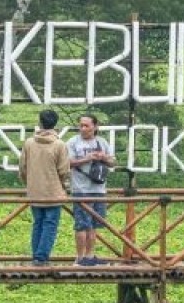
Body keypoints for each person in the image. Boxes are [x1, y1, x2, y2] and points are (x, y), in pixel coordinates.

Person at [19, 109, 71, 266]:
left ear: (40, 122)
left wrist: (29, 183)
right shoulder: (59, 145)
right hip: (54, 192)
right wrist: (65, 187)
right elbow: (64, 171)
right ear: (55, 124)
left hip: (35, 192)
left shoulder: (29, 143)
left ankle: (36, 255)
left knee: (38, 223)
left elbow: (23, 167)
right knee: (50, 225)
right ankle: (41, 257)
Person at [67, 113, 115, 267]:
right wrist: (88, 158)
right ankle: (80, 258)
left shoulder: (102, 142)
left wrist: (104, 158)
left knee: (95, 224)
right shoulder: (73, 142)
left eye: (86, 125)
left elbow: (113, 162)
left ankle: (90, 255)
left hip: (99, 188)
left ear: (95, 126)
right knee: (82, 224)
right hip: (80, 188)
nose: (83, 128)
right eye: (81, 125)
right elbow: (67, 162)